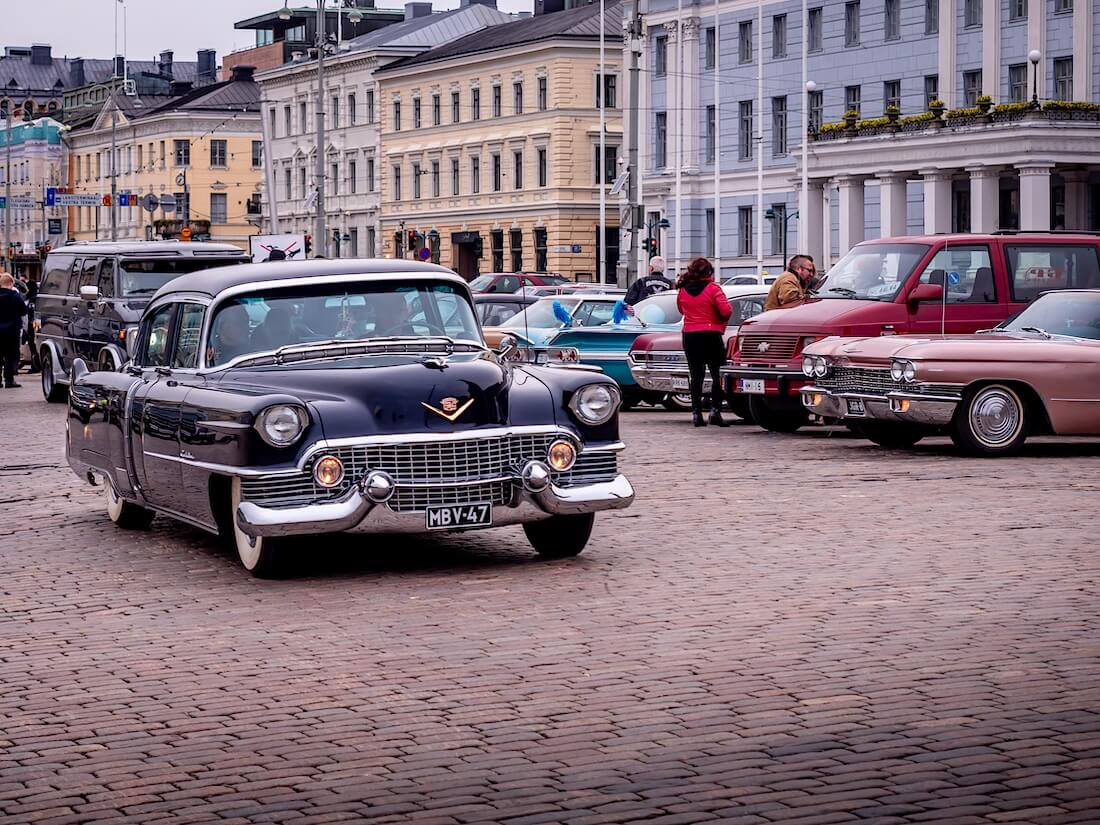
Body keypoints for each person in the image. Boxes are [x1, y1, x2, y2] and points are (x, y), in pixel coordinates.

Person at [676, 257, 732, 427]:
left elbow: (681, 309)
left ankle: (696, 413)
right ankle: (715, 411)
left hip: (690, 336)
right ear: (709, 272)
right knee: (717, 374)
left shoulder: (683, 290)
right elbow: (726, 310)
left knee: (696, 376)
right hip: (710, 334)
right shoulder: (713, 289)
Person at [0, 273, 29, 388]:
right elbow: (23, 311)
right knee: (10, 355)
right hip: (12, 330)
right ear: (11, 283)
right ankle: (9, 380)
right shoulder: (15, 296)